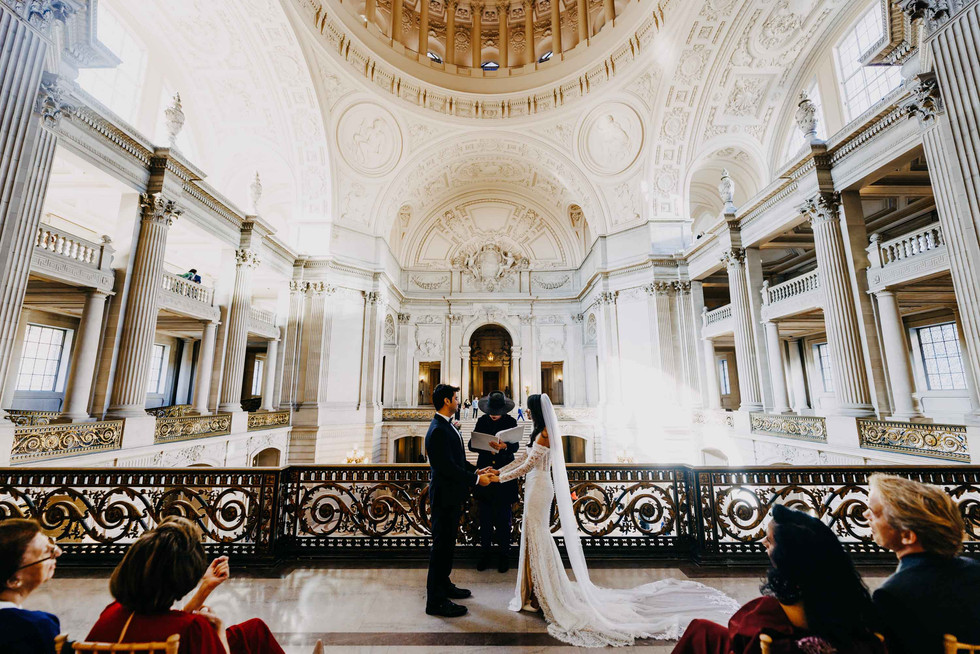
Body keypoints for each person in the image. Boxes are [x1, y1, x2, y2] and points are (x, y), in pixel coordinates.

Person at [495, 394, 739, 646]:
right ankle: (534, 590)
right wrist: (497, 471)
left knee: (538, 536)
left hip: (540, 488)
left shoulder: (544, 433)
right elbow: (523, 460)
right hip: (534, 486)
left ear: (535, 410)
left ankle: (543, 591)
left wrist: (499, 479)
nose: (526, 409)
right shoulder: (538, 431)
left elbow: (529, 465)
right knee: (533, 536)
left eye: (528, 407)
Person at [672, 504, 884, 654]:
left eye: (771, 541)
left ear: (789, 554)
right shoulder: (844, 591)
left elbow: (744, 639)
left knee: (700, 634)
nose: (763, 542)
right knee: (702, 629)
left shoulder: (769, 613)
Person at [87, 516, 286, 654]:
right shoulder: (195, 629)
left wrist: (206, 587)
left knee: (252, 631)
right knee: (252, 633)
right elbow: (179, 628)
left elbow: (165, 622)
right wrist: (218, 632)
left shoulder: (111, 613)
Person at [865, 474, 980, 654]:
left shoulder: (892, 595)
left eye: (874, 512)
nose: (866, 515)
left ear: (907, 536)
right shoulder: (974, 569)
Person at [424, 384, 497, 618]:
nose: (458, 401)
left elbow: (456, 461)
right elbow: (446, 468)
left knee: (447, 547)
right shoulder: (437, 430)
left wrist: (476, 471)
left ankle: (444, 585)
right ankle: (435, 601)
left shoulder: (446, 426)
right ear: (447, 401)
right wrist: (476, 481)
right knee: (440, 549)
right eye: (455, 398)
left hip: (452, 496)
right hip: (444, 496)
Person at [468, 391, 520, 573]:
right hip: (485, 475)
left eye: (497, 411)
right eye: (492, 410)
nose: (494, 414)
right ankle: (484, 555)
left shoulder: (511, 422)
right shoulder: (482, 421)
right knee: (486, 520)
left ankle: (504, 556)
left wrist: (504, 447)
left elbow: (516, 446)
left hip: (504, 475)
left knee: (505, 521)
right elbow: (471, 445)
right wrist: (486, 447)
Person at [0, 519, 63, 654]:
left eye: (53, 547)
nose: (58, 553)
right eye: (47, 552)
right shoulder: (35, 626)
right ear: (13, 580)